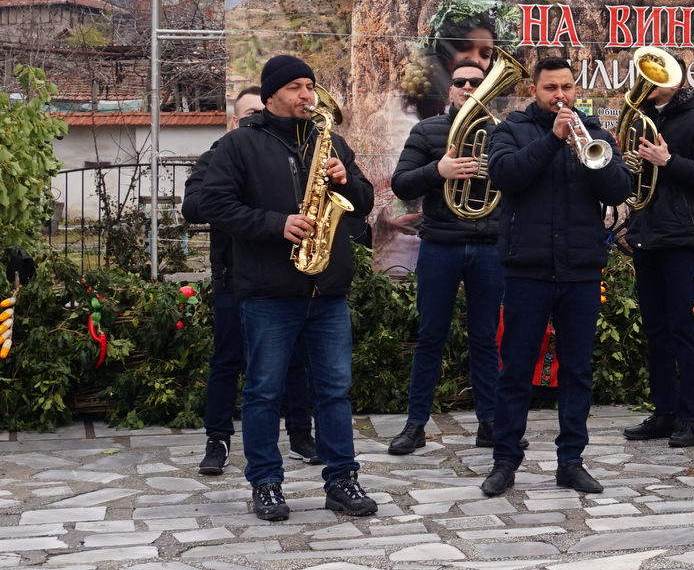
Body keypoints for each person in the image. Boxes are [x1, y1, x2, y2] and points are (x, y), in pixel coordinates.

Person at [198, 55, 377, 521]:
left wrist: (346, 180)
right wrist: (276, 224)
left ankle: (342, 480)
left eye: (310, 86)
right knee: (263, 392)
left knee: (335, 391)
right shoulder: (239, 144)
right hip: (269, 291)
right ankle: (266, 483)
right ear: (272, 94)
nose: (307, 95)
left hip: (327, 291)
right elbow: (211, 204)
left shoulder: (330, 141)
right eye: (296, 86)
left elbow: (364, 202)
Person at [479, 56, 632, 497]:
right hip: (527, 269)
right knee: (516, 369)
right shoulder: (512, 130)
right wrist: (553, 139)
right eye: (551, 88)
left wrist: (591, 153)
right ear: (535, 91)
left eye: (566, 87)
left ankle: (571, 461)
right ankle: (505, 460)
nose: (560, 95)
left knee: (577, 371)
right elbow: (505, 175)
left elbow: (619, 190)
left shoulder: (596, 133)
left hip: (580, 269)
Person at [185, 86, 318, 477]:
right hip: (234, 277)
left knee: (295, 361)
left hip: (285, 275)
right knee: (227, 361)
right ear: (234, 122)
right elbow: (193, 206)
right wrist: (238, 195)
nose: (256, 121)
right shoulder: (218, 155)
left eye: (261, 113)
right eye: (248, 116)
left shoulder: (288, 153)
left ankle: (300, 434)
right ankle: (218, 440)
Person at [386, 60, 506, 455]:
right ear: (450, 89)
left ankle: (490, 424)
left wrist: (497, 173)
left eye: (477, 82)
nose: (468, 87)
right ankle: (415, 425)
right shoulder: (427, 131)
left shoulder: (503, 132)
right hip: (440, 245)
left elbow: (521, 181)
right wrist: (438, 170)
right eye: (460, 81)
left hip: (489, 246)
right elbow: (402, 183)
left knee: (485, 338)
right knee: (431, 337)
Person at [621, 76, 694, 448]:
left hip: (679, 237)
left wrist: (668, 160)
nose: (645, 82)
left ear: (674, 83)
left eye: (655, 77)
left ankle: (689, 419)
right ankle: (663, 413)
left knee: (681, 331)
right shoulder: (638, 118)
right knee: (655, 330)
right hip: (645, 232)